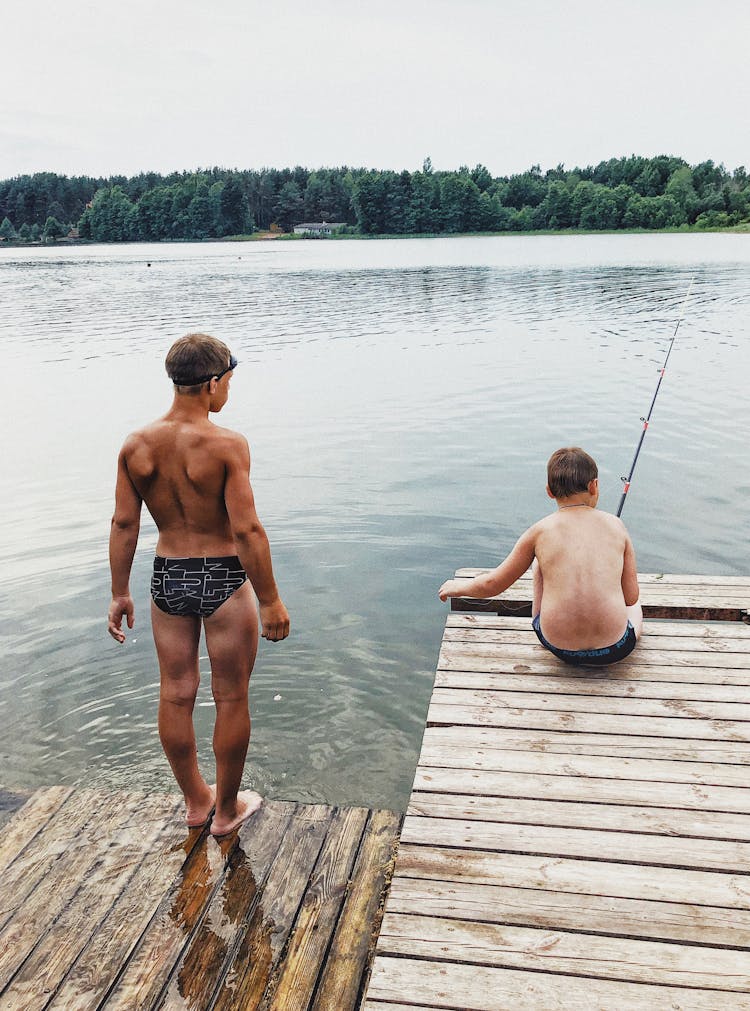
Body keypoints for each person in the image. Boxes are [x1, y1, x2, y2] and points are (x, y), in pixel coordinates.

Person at [107, 333, 290, 835]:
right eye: (229, 382)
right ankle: (227, 811)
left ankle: (195, 801)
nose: (228, 392)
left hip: (168, 576)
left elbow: (125, 525)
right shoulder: (227, 444)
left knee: (176, 692)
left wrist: (120, 592)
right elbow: (248, 529)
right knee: (231, 697)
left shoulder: (136, 445)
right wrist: (271, 600)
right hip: (225, 577)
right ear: (212, 383)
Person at [439, 447, 643, 666]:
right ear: (594, 486)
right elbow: (630, 597)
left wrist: (457, 587)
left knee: (539, 564)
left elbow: (493, 583)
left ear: (549, 491)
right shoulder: (616, 526)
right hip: (615, 649)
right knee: (635, 605)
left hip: (559, 647)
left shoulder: (539, 532)